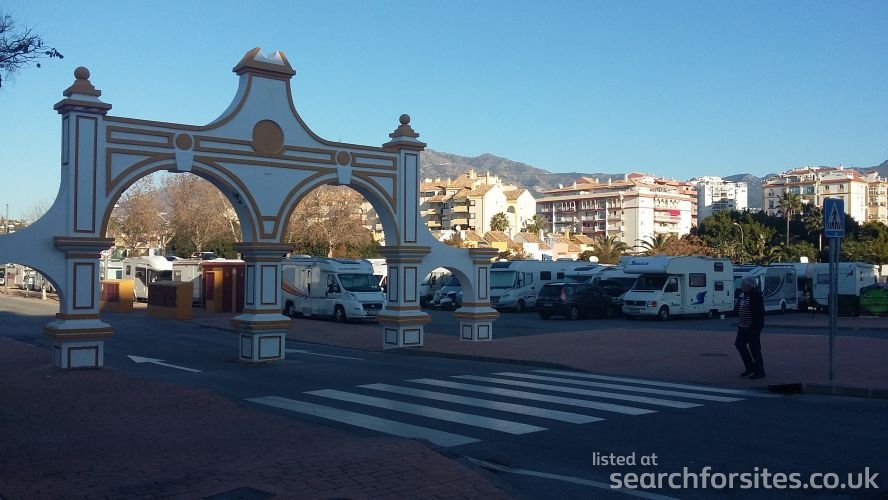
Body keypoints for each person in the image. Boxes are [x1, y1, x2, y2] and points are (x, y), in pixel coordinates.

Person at [735, 276, 766, 379]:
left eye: (743, 284)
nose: (741, 286)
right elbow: (738, 306)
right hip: (742, 326)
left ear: (749, 285)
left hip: (752, 327)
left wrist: (756, 327)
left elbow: (760, 312)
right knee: (739, 344)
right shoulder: (743, 294)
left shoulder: (756, 295)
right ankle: (750, 367)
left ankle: (760, 370)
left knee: (755, 349)